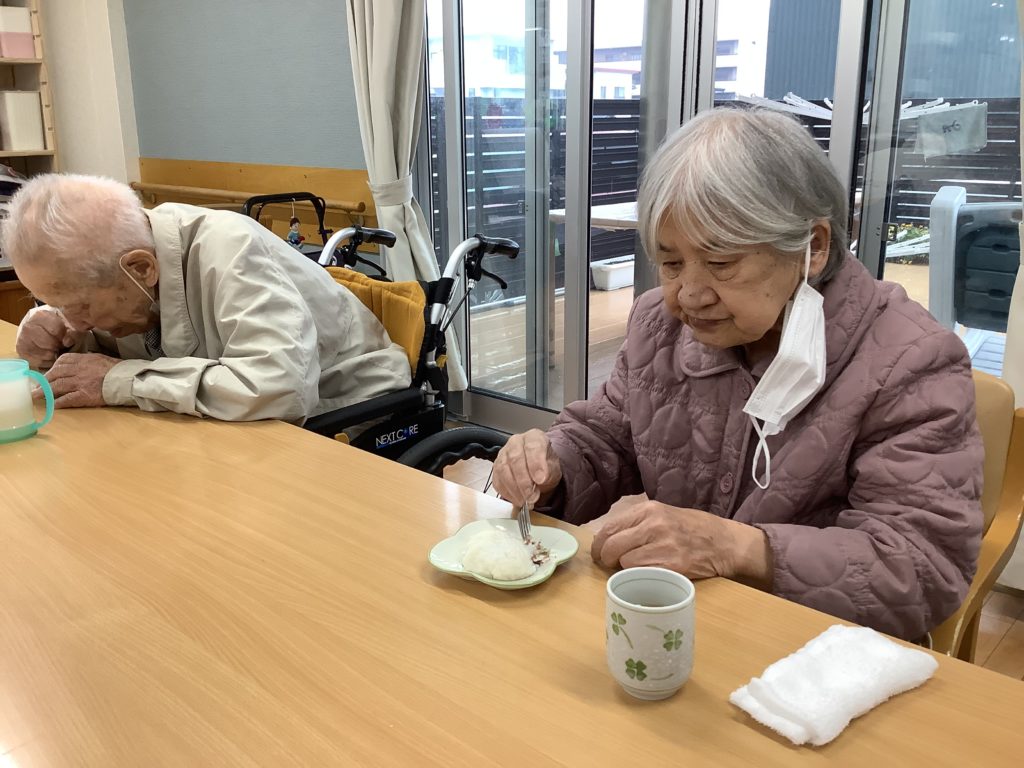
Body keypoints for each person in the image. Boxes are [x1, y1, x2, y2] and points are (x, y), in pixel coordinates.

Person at [492, 108, 984, 641]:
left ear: (814, 248)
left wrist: (736, 547)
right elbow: (609, 437)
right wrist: (554, 463)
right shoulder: (659, 324)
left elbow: (919, 568)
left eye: (722, 262)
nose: (688, 295)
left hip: (818, 650)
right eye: (671, 263)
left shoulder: (911, 361)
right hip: (684, 626)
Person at [4, 174, 411, 423]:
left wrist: (118, 381)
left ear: (142, 268)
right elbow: (129, 347)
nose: (72, 318)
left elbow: (279, 389)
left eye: (79, 306)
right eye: (53, 301)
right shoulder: (124, 263)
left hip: (349, 415)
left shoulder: (231, 250)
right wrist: (60, 338)